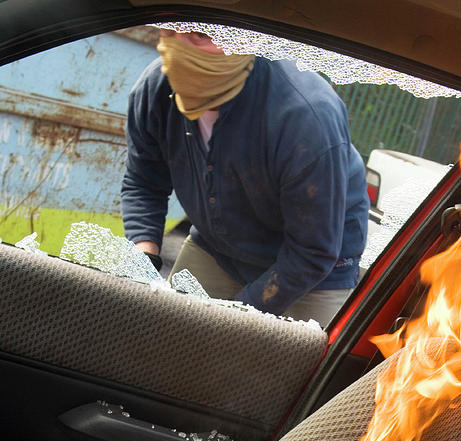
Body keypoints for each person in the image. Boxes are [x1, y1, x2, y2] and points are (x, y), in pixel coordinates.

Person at [121, 29, 370, 325]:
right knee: (163, 336)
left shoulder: (304, 116)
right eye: (171, 29)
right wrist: (144, 258)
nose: (178, 47)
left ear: (246, 41)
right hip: (217, 248)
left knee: (264, 364)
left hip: (313, 273)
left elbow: (312, 251)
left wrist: (233, 320)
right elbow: (144, 182)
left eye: (201, 35)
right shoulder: (156, 90)